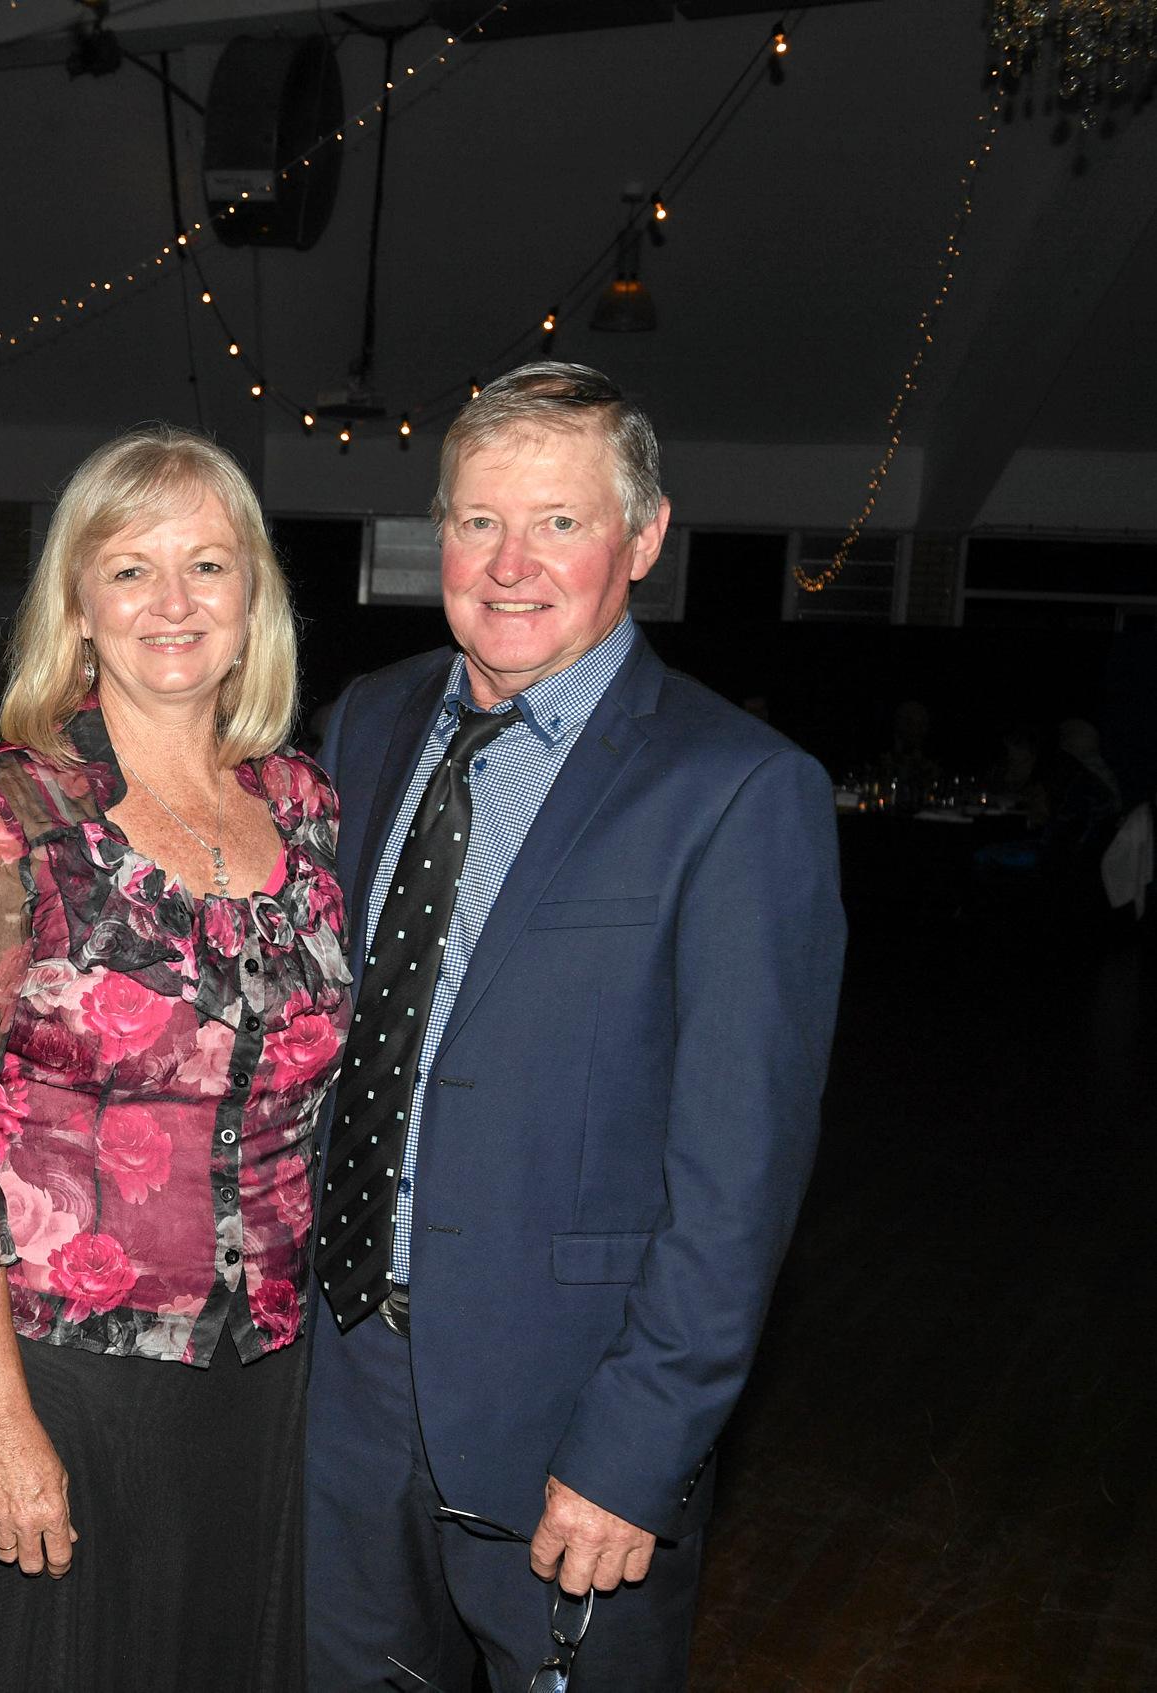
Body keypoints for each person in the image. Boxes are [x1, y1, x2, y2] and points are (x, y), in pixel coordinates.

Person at [302, 362, 845, 1691]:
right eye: (478, 520)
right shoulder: (366, 723)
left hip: (568, 1421)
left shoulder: (737, 791)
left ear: (642, 539)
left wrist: (631, 1453)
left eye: (558, 520)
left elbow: (737, 1181)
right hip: (341, 1386)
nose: (507, 563)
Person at [0, 425, 352, 1692]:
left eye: (208, 563)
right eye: (131, 567)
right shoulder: (11, 812)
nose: (173, 601)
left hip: (263, 1380)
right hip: (61, 1375)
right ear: (78, 605)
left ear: (253, 596)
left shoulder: (305, 808)